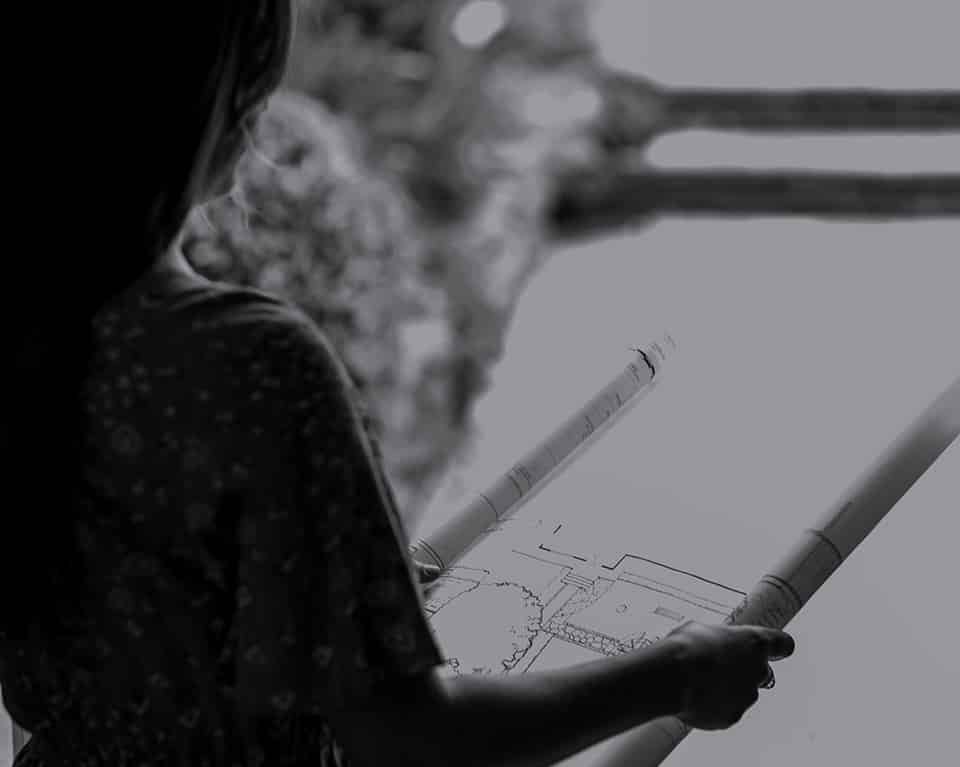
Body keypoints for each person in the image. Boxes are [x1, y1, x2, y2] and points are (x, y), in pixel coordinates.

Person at [0, 2, 796, 765]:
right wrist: (674, 673)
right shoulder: (251, 365)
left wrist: (328, 585)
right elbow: (412, 740)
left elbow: (139, 603)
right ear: (223, 99)